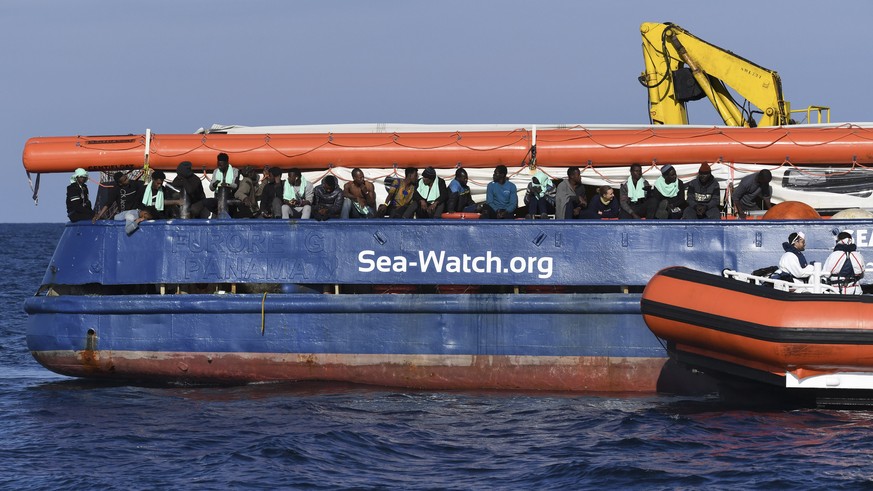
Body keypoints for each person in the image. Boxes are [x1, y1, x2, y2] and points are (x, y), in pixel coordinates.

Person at [208, 153, 239, 218]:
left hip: (230, 197)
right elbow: (211, 188)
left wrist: (227, 185)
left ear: (227, 163)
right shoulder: (216, 171)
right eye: (218, 165)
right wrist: (214, 184)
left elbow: (235, 185)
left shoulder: (235, 171)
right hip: (218, 198)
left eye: (221, 165)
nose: (219, 167)